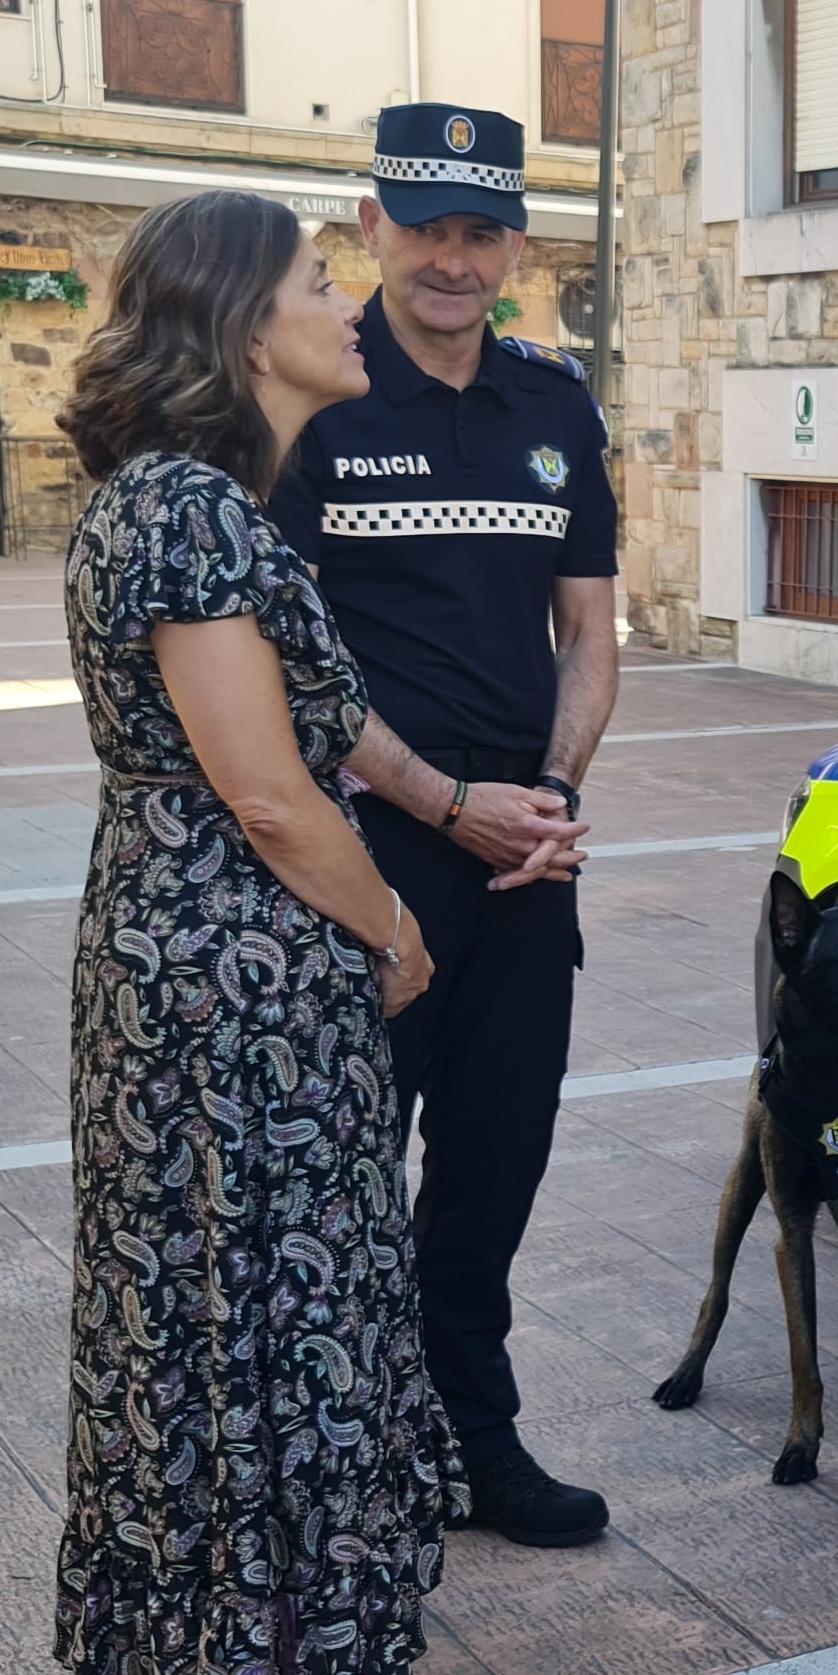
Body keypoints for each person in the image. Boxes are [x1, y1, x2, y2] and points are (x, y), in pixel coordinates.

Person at [52, 189, 468, 1675]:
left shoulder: (195, 511)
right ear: (240, 329)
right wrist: (394, 924)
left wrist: (442, 810)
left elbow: (316, 734)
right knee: (263, 1345)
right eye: (318, 282)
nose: (350, 304)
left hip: (193, 970)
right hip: (234, 986)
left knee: (207, 1322)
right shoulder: (194, 521)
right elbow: (272, 793)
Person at [272, 102, 616, 1552]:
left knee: (494, 1159)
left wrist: (551, 801)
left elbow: (591, 633)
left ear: (512, 248)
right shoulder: (317, 402)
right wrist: (440, 803)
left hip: (522, 845)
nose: (452, 261)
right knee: (351, 1161)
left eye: (481, 232)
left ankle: (475, 1439)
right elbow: (279, 655)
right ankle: (348, 1459)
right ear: (374, 230)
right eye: (426, 230)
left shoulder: (555, 408)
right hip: (376, 839)